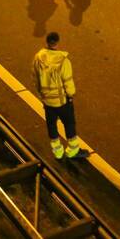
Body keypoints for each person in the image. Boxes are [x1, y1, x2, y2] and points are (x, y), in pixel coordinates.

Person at [33, 32, 89, 160]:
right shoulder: (63, 60)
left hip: (48, 101)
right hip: (62, 101)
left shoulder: (38, 58)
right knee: (69, 124)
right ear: (57, 43)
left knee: (51, 126)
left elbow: (35, 79)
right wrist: (70, 94)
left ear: (46, 42)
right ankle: (72, 151)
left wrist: (42, 94)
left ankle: (57, 152)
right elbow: (68, 81)